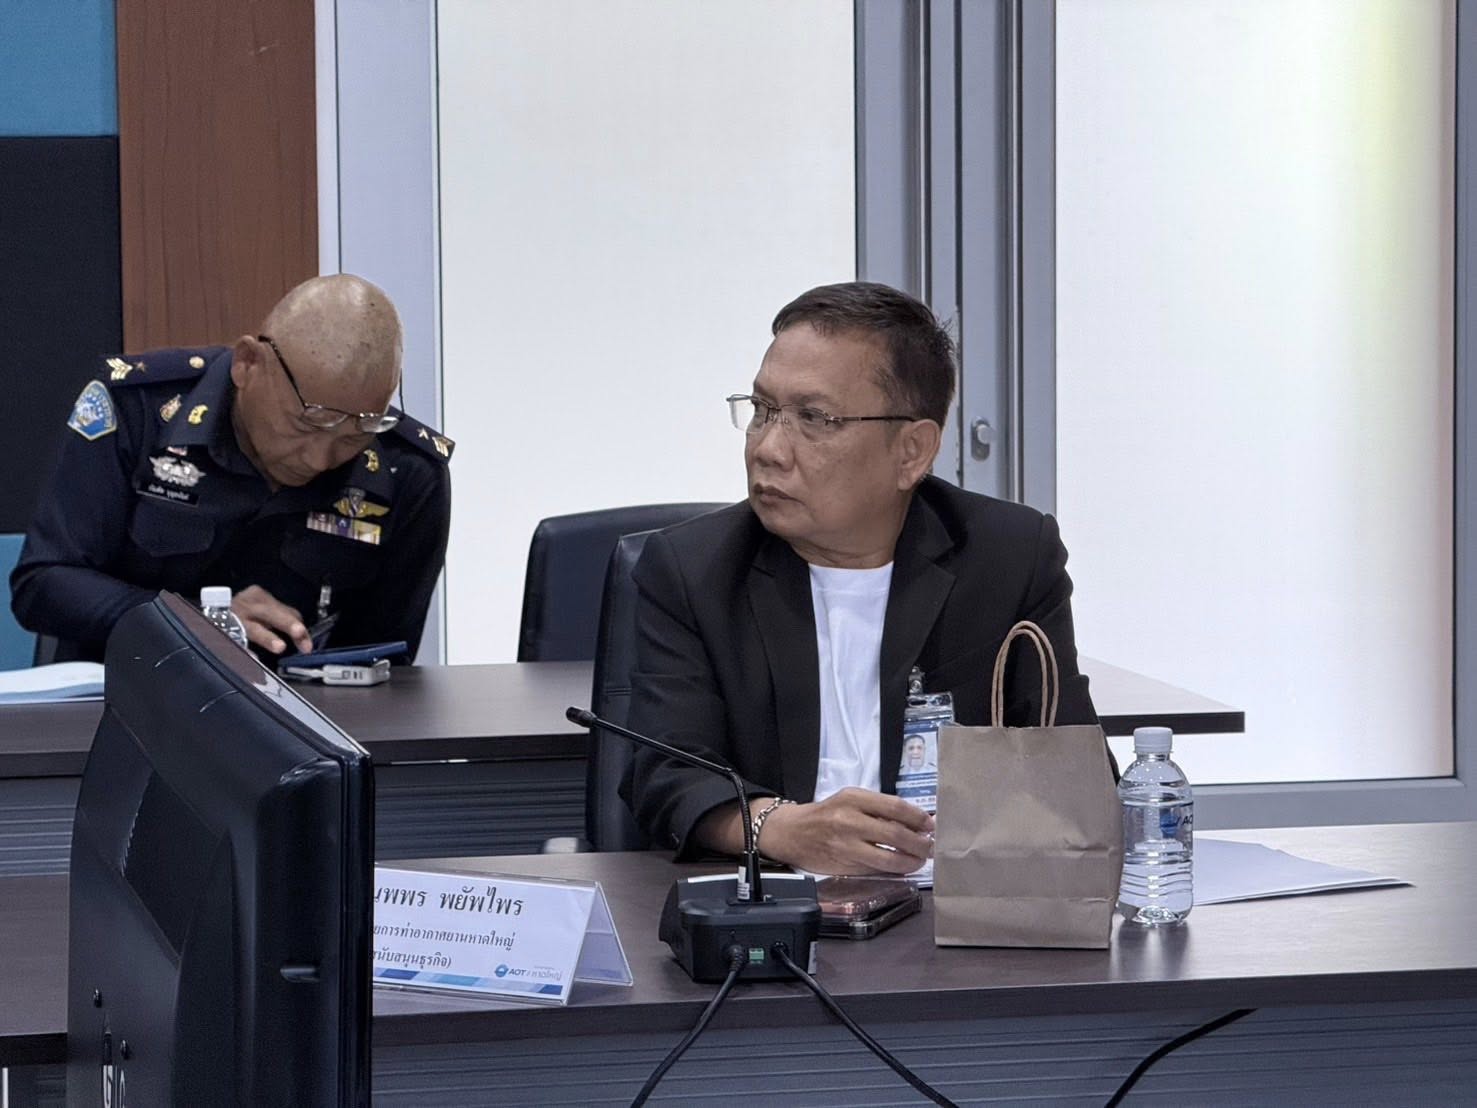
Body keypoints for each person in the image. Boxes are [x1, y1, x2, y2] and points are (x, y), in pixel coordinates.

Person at [620, 281, 1102, 877]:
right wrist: (784, 828)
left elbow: (1073, 770)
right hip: (773, 900)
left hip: (957, 906)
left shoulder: (1008, 558)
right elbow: (666, 773)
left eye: (814, 418)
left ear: (912, 452)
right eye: (762, 411)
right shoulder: (694, 569)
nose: (768, 449)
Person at [11, 274, 453, 663]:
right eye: (306, 425)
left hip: (303, 718)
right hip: (124, 698)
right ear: (247, 364)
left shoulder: (409, 474)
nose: (320, 459)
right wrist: (198, 623)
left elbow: (385, 660)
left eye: (355, 435)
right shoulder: (139, 411)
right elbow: (44, 585)